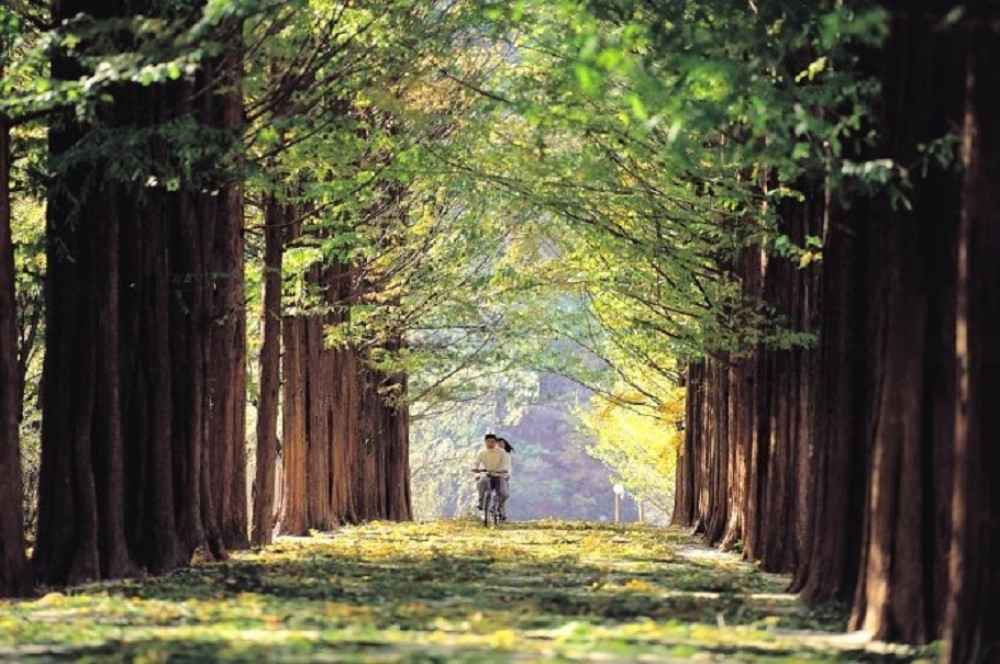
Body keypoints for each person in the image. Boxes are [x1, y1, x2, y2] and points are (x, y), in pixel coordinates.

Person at [474, 433, 511, 519]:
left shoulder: (502, 452)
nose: (490, 444)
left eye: (492, 442)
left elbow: (506, 463)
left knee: (504, 494)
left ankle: (499, 507)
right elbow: (476, 463)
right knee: (481, 482)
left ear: (495, 443)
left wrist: (504, 469)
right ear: (485, 442)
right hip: (487, 474)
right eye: (488, 442)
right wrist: (476, 469)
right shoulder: (482, 452)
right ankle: (481, 501)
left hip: (499, 475)